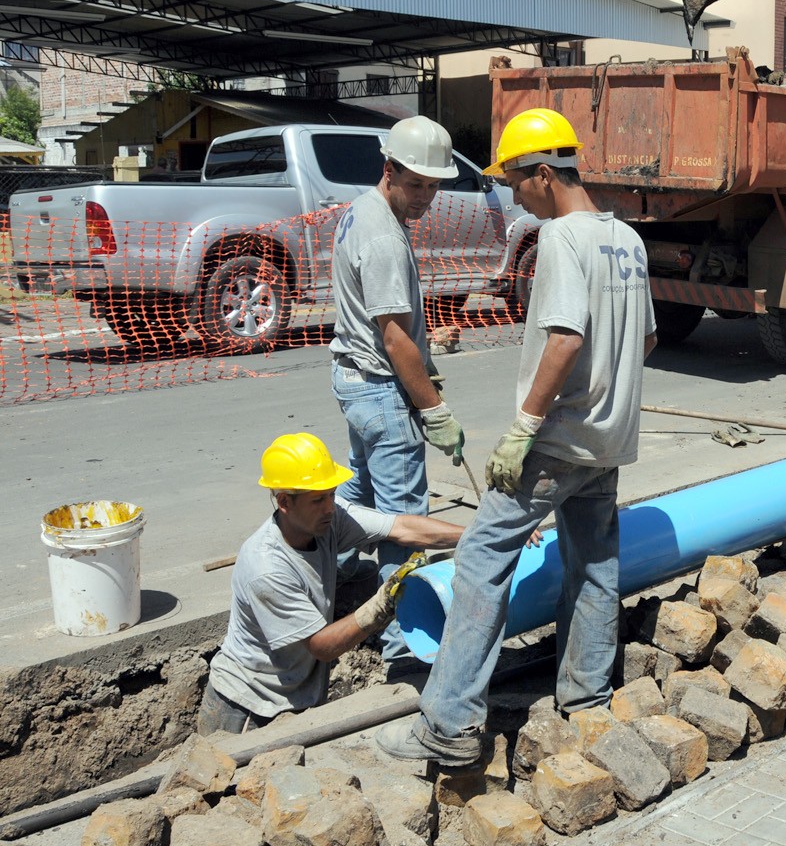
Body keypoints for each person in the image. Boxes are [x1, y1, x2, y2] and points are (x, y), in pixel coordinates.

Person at [377, 108, 657, 766]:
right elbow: (645, 338)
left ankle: (446, 724)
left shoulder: (562, 238)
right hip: (611, 439)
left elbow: (565, 337)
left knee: (480, 560)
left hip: (557, 441)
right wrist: (608, 390)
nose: (511, 198)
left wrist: (525, 427)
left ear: (542, 175)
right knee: (593, 565)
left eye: (513, 185)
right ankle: (585, 698)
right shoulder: (627, 239)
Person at [198, 433, 464, 735]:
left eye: (331, 495)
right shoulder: (267, 568)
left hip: (295, 693)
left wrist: (477, 533)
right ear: (284, 501)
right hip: (249, 707)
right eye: (318, 500)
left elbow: (400, 527)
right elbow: (322, 647)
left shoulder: (326, 519)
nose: (329, 507)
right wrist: (381, 605)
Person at [328, 115, 466, 664]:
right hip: (382, 392)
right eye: (417, 185)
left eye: (434, 186)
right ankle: (403, 645)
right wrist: (432, 409)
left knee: (358, 495)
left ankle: (325, 581)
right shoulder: (382, 235)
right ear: (389, 169)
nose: (426, 197)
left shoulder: (363, 210)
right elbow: (393, 335)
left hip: (355, 383)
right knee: (404, 521)